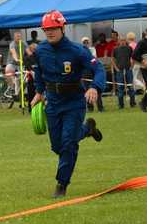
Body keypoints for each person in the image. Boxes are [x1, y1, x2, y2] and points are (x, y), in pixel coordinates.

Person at [30, 10, 105, 198]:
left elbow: (99, 68)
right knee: (57, 146)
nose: (49, 32)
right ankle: (87, 129)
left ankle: (61, 184)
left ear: (62, 27)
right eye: (46, 29)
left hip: (74, 102)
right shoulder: (40, 51)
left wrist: (94, 87)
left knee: (68, 144)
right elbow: (38, 73)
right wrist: (39, 92)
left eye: (53, 28)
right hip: (53, 103)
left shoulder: (78, 51)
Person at [111, 37, 136, 109]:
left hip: (128, 70)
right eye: (121, 40)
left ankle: (132, 103)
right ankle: (121, 105)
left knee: (130, 87)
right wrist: (116, 68)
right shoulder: (115, 49)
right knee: (120, 87)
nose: (122, 42)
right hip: (119, 71)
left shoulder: (129, 48)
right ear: (119, 41)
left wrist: (132, 66)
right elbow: (112, 59)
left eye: (124, 40)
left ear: (126, 41)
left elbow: (133, 57)